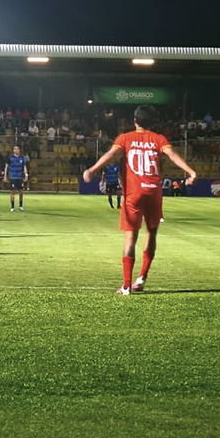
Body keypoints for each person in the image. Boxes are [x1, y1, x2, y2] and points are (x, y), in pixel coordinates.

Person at [83, 105, 197, 295]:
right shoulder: (159, 139)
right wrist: (191, 172)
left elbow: (111, 155)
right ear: (152, 122)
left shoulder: (125, 138)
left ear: (134, 121)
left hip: (133, 194)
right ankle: (142, 278)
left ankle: (127, 285)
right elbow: (173, 155)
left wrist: (92, 170)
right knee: (151, 234)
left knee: (130, 238)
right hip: (154, 192)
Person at [4, 145, 29, 212]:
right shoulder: (10, 158)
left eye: (18, 149)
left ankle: (21, 206)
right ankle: (12, 207)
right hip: (13, 177)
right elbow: (6, 167)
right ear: (13, 150)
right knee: (13, 192)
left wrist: (26, 175)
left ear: (19, 150)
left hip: (20, 177)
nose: (16, 150)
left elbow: (24, 167)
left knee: (21, 192)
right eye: (15, 149)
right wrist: (5, 176)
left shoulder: (22, 158)